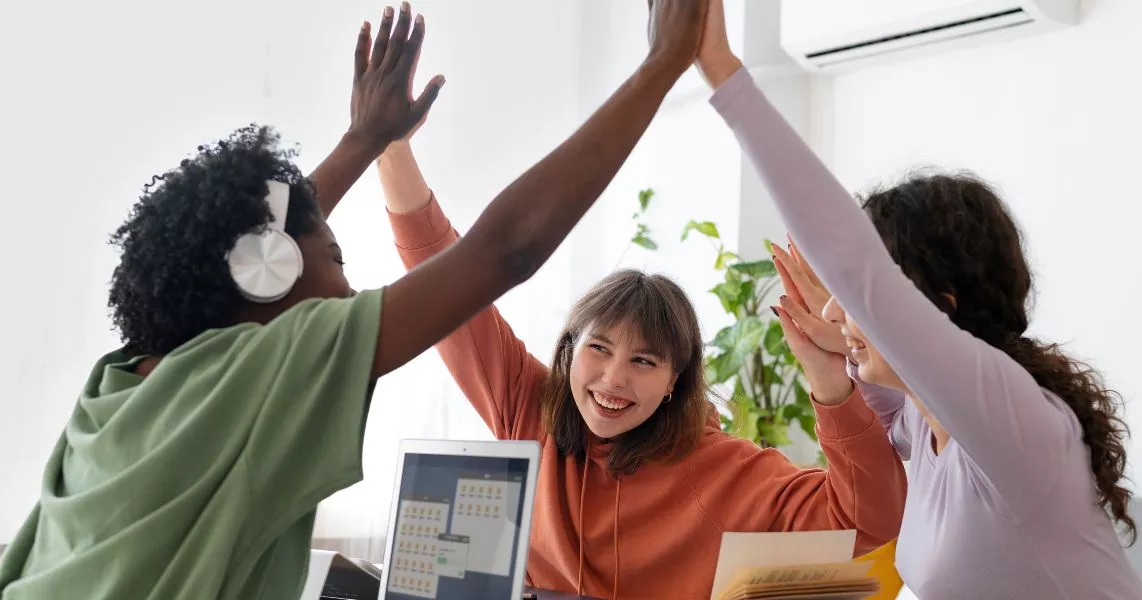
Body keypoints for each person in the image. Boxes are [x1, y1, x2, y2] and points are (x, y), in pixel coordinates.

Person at [0, 2, 709, 598]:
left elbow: (264, 247)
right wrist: (661, 66)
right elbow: (506, 249)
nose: (347, 285)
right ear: (268, 273)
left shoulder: (124, 380)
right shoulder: (260, 367)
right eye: (336, 258)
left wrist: (365, 139)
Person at [694, 0, 1142, 598]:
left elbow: (856, 268)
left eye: (861, 299)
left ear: (940, 307)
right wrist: (841, 347)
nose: (836, 309)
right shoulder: (924, 418)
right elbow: (867, 400)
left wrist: (723, 71)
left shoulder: (1011, 418)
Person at [379, 82, 906, 600]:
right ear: (569, 352)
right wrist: (390, 147)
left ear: (675, 380)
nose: (613, 379)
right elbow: (447, 287)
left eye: (644, 361)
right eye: (599, 349)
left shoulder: (721, 471)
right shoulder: (529, 409)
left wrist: (829, 378)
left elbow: (867, 522)